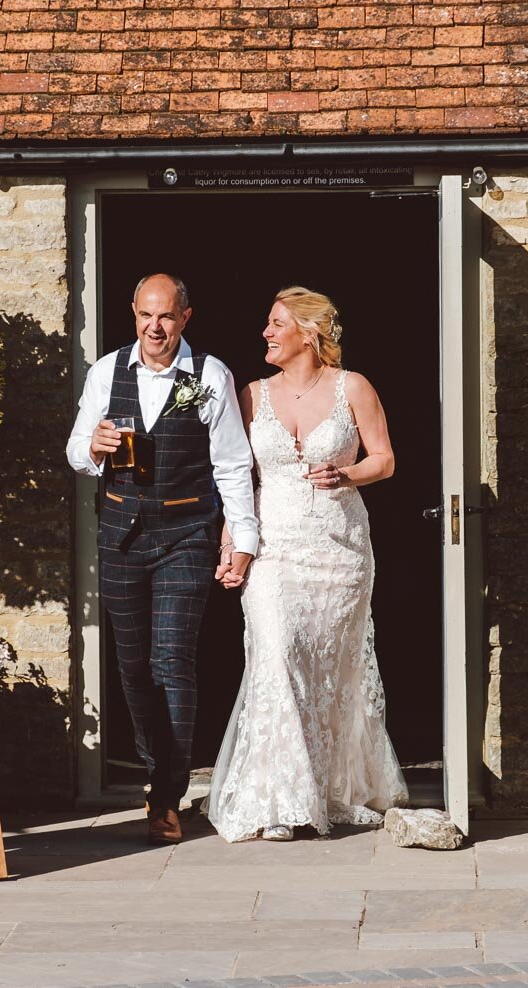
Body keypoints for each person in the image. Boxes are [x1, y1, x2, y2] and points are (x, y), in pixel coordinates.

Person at [206, 286, 407, 842]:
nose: (266, 334)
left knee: (329, 672)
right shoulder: (249, 396)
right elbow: (238, 483)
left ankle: (323, 787)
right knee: (275, 658)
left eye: (276, 323)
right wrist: (231, 546)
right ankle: (278, 799)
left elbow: (384, 459)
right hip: (273, 550)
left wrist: (348, 475)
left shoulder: (353, 387)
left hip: (340, 552)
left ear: (309, 332)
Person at [66, 273, 257, 845]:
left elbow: (231, 464)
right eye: (146, 316)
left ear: (185, 318)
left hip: (186, 535)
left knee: (171, 660)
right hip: (121, 536)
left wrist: (242, 538)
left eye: (167, 317)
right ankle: (156, 771)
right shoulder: (107, 371)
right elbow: (77, 447)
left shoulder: (210, 376)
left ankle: (167, 794)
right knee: (132, 668)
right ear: (133, 315)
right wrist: (93, 450)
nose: (156, 327)